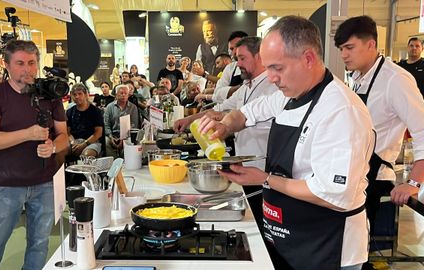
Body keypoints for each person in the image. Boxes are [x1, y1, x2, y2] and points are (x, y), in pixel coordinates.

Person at [198, 16, 374, 269]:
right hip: (290, 236)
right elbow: (248, 112)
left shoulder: (341, 110)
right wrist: (225, 125)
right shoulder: (291, 93)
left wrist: (265, 179)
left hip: (326, 245)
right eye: (268, 68)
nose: (270, 78)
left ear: (308, 59)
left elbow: (330, 194)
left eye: (277, 68)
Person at [0, 40, 68, 270]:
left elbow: (64, 135)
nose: (26, 69)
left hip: (44, 182)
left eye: (31, 63)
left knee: (39, 242)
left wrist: (54, 147)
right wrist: (28, 134)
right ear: (6, 65)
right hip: (6, 184)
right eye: (19, 63)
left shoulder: (50, 94)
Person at [334, 16, 424, 251]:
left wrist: (414, 182)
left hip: (375, 181)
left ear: (371, 45)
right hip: (354, 177)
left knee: (362, 254)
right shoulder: (358, 78)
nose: (343, 55)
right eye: (341, 48)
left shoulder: (396, 79)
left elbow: (422, 128)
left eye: (349, 48)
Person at [175, 36, 278, 231]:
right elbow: (219, 110)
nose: (237, 64)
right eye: (236, 58)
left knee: (262, 224)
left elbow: (247, 118)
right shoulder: (246, 87)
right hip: (246, 169)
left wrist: (226, 124)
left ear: (259, 57)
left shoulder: (271, 87)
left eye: (242, 58)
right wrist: (189, 120)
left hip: (263, 169)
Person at [66, 83, 104, 158]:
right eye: (74, 94)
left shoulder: (95, 111)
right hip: (74, 141)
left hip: (92, 142)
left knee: (87, 155)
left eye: (80, 94)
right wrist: (73, 142)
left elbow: (98, 133)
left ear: (86, 94)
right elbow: (67, 132)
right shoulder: (69, 111)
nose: (77, 97)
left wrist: (84, 144)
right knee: (60, 152)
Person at [212, 31, 248, 103]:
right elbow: (217, 95)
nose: (235, 52)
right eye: (231, 49)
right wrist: (241, 88)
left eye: (238, 47)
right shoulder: (230, 68)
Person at [104, 85, 139, 158]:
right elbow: (106, 124)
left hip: (127, 135)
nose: (124, 95)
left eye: (126, 93)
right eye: (121, 93)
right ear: (116, 95)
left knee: (129, 142)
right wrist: (110, 137)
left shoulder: (133, 107)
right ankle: (114, 163)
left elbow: (134, 125)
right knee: (106, 141)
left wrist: (123, 138)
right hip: (112, 134)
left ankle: (125, 162)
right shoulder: (109, 107)